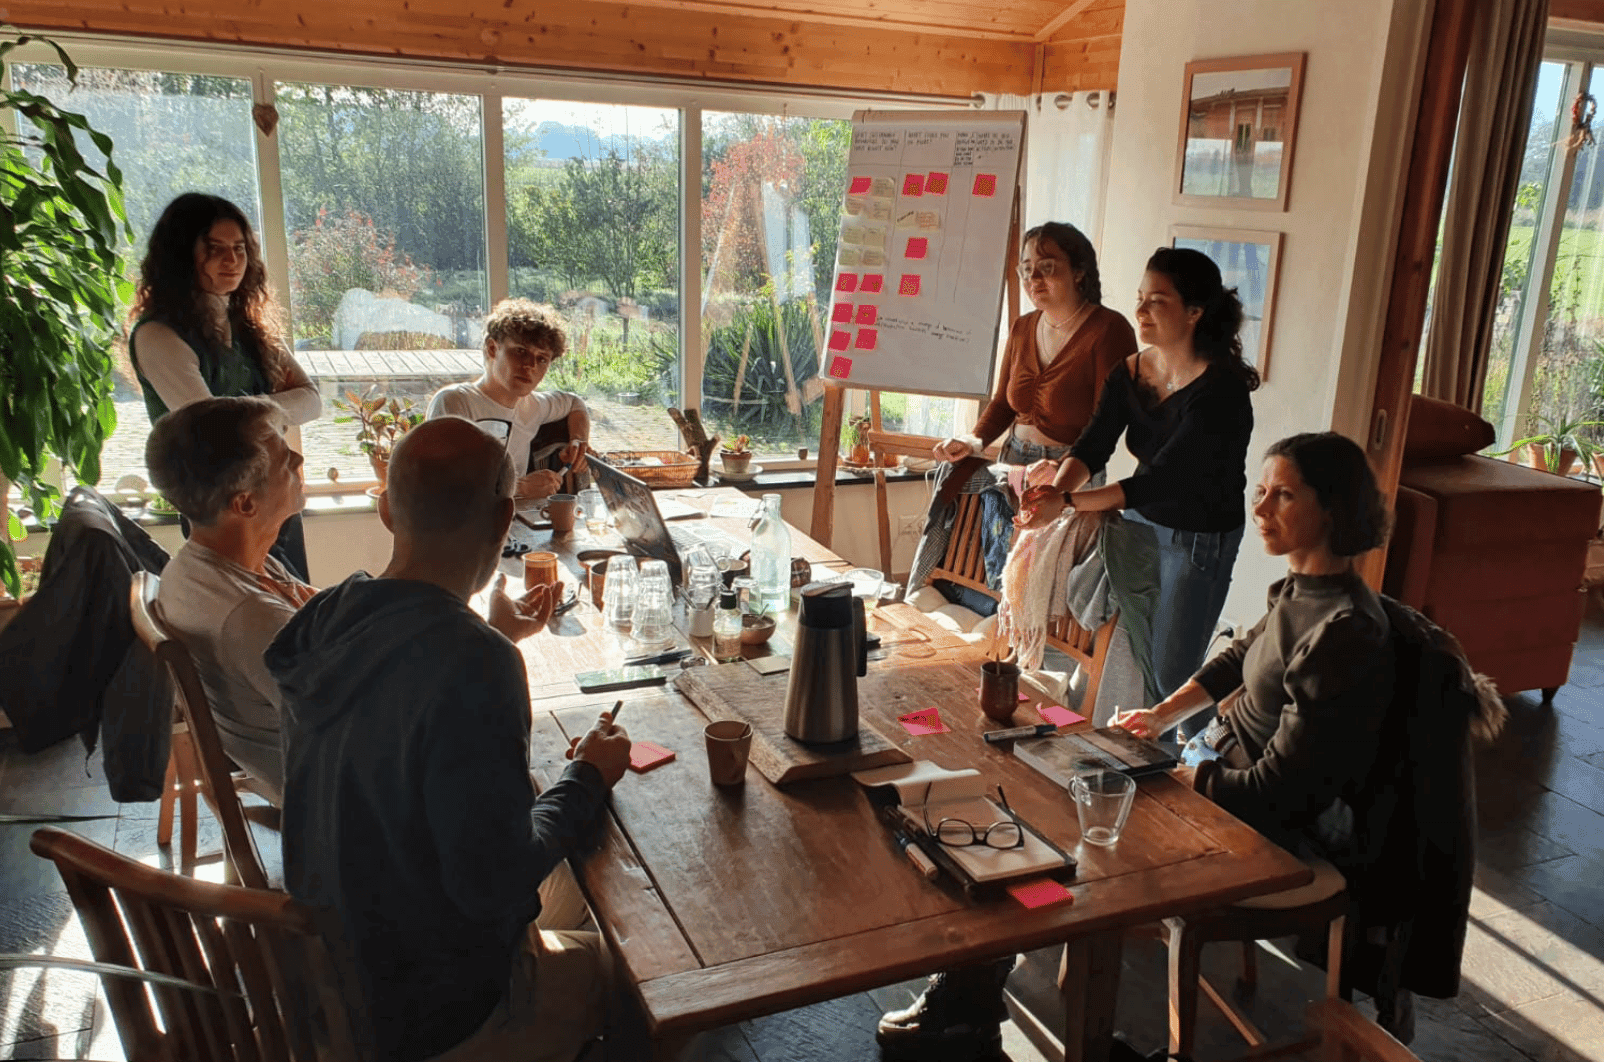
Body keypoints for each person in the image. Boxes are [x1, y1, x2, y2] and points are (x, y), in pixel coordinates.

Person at [266, 416, 631, 1062]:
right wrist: (590, 775)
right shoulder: (474, 663)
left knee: (587, 888)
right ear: (501, 520)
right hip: (440, 1012)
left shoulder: (328, 615)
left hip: (336, 978)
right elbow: (491, 884)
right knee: (645, 974)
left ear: (385, 512)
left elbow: (403, 698)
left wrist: (485, 638)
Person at [1111, 432, 1395, 854]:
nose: (1260, 509)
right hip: (1211, 764)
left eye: (1283, 495)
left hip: (1255, 817)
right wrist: (1159, 716)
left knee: (1100, 837)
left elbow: (1280, 793)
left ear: (1332, 508)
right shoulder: (1300, 590)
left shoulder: (1344, 631)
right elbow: (1240, 657)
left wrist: (1174, 781)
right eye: (1261, 492)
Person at [1018, 246, 1258, 736]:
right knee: (1140, 663)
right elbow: (1093, 444)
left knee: (1174, 678)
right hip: (1142, 526)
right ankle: (1175, 763)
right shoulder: (1132, 371)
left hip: (1197, 540)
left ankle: (1206, 768)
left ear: (1195, 313)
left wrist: (1064, 504)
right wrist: (1053, 495)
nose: (1141, 311)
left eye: (1158, 302)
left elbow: (1160, 481)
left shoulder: (1221, 392)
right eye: (1140, 298)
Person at [912, 222, 1136, 611]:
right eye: (1026, 268)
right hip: (1012, 465)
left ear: (1079, 272)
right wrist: (973, 440)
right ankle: (991, 661)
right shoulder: (1023, 327)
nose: (1033, 278)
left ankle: (1039, 668)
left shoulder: (1108, 330)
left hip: (1070, 474)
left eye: (1046, 267)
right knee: (1000, 579)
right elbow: (1003, 403)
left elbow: (1107, 426)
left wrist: (1062, 476)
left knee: (1044, 593)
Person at [129, 192, 321, 581]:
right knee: (255, 617)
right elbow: (215, 433)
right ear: (181, 257)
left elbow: (313, 401)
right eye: (214, 249)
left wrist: (244, 411)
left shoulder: (248, 325)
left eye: (239, 248)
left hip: (277, 495)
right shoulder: (158, 335)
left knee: (295, 611)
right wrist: (270, 410)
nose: (231, 261)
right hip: (224, 510)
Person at [145, 396, 311, 807]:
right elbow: (357, 725)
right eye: (283, 458)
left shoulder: (198, 567)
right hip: (329, 788)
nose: (297, 460)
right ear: (245, 503)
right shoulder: (249, 616)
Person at [427, 298, 591, 502]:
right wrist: (518, 487)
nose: (530, 365)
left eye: (542, 359)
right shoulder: (455, 402)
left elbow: (575, 403)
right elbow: (438, 485)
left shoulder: (534, 406)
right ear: (492, 349)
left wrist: (579, 441)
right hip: (466, 528)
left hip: (520, 526)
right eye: (521, 351)